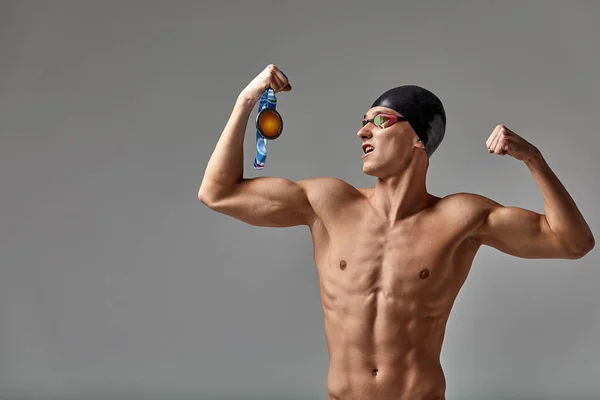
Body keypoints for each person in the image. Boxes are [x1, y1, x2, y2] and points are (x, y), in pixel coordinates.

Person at [198, 64, 595, 400]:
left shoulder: (460, 217)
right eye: (363, 123)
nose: (362, 132)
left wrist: (534, 159)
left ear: (418, 139)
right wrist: (246, 101)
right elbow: (217, 192)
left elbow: (573, 242)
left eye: (379, 121)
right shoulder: (328, 203)